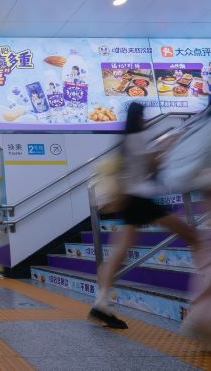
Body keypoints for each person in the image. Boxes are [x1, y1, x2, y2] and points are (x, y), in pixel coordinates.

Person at [89, 102, 199, 329]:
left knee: (119, 253)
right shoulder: (138, 137)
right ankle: (203, 300)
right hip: (142, 200)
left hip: (132, 200)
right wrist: (171, 142)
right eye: (144, 116)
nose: (146, 120)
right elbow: (152, 165)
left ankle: (101, 303)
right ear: (138, 117)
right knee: (192, 236)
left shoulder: (125, 140)